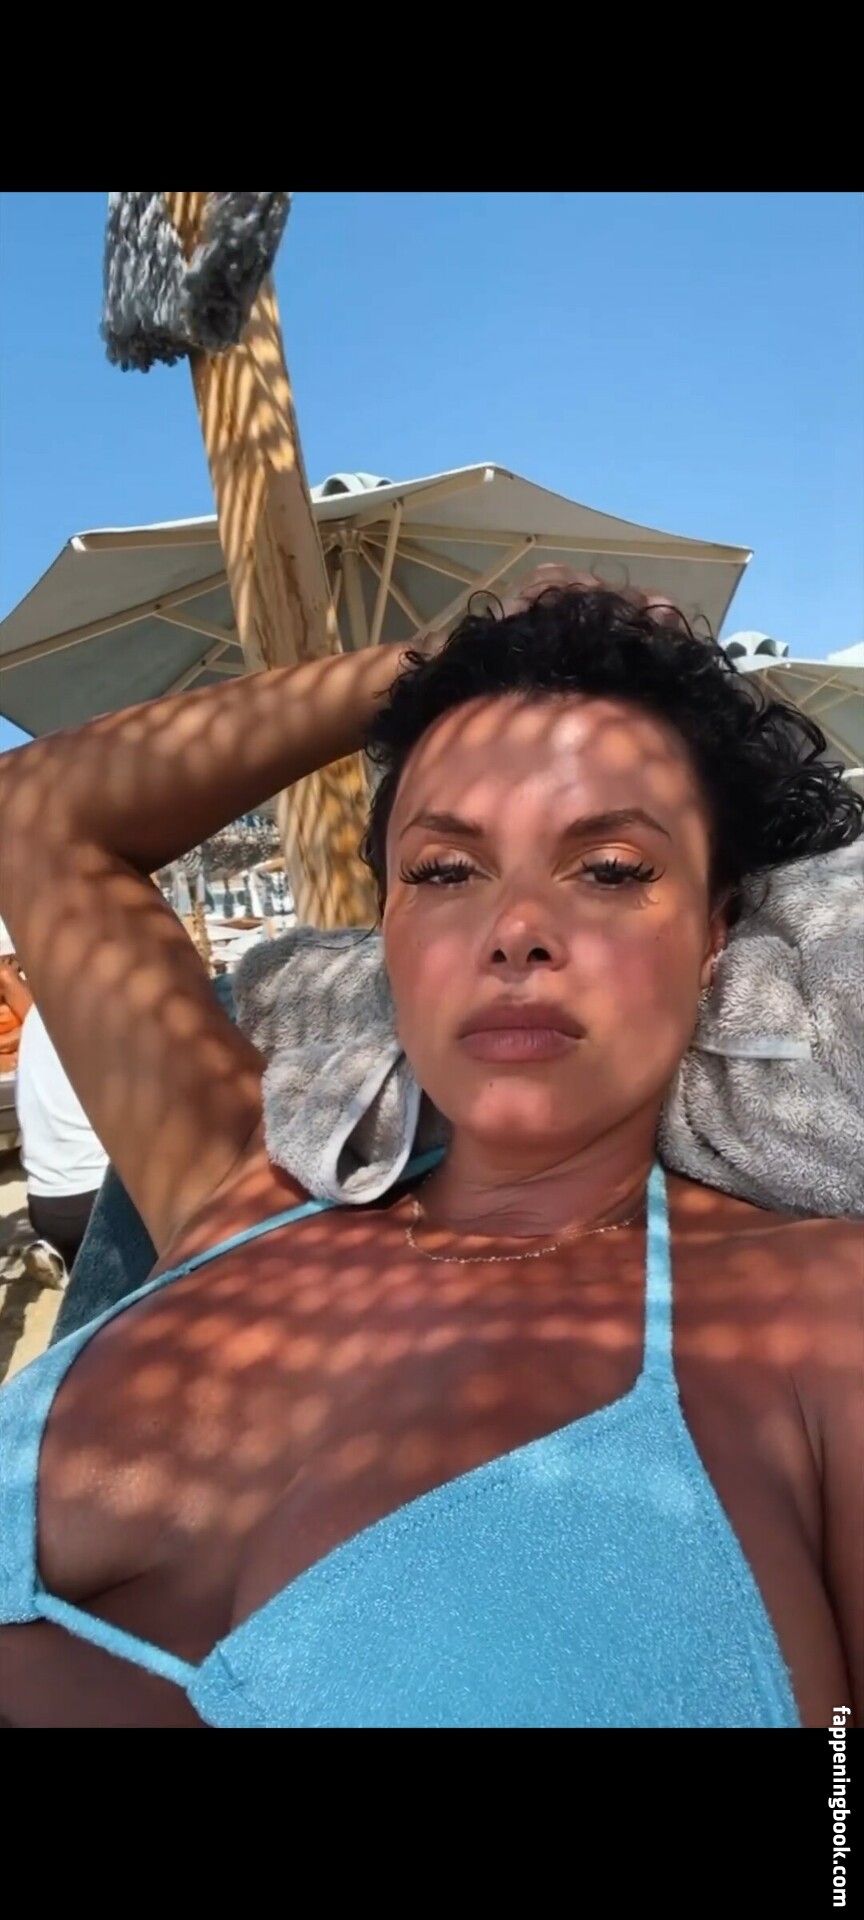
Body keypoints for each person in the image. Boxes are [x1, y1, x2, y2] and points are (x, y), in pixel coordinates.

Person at [0, 571, 860, 1730]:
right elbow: (37, 811)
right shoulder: (244, 1190)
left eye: (610, 869)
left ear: (716, 937)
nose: (517, 931)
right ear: (388, 932)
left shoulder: (816, 1322)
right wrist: (444, 660)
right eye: (445, 871)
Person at [15, 1002, 109, 1287]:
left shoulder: (37, 1013)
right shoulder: (109, 1008)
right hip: (100, 1198)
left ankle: (58, 1250)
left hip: (44, 1201)